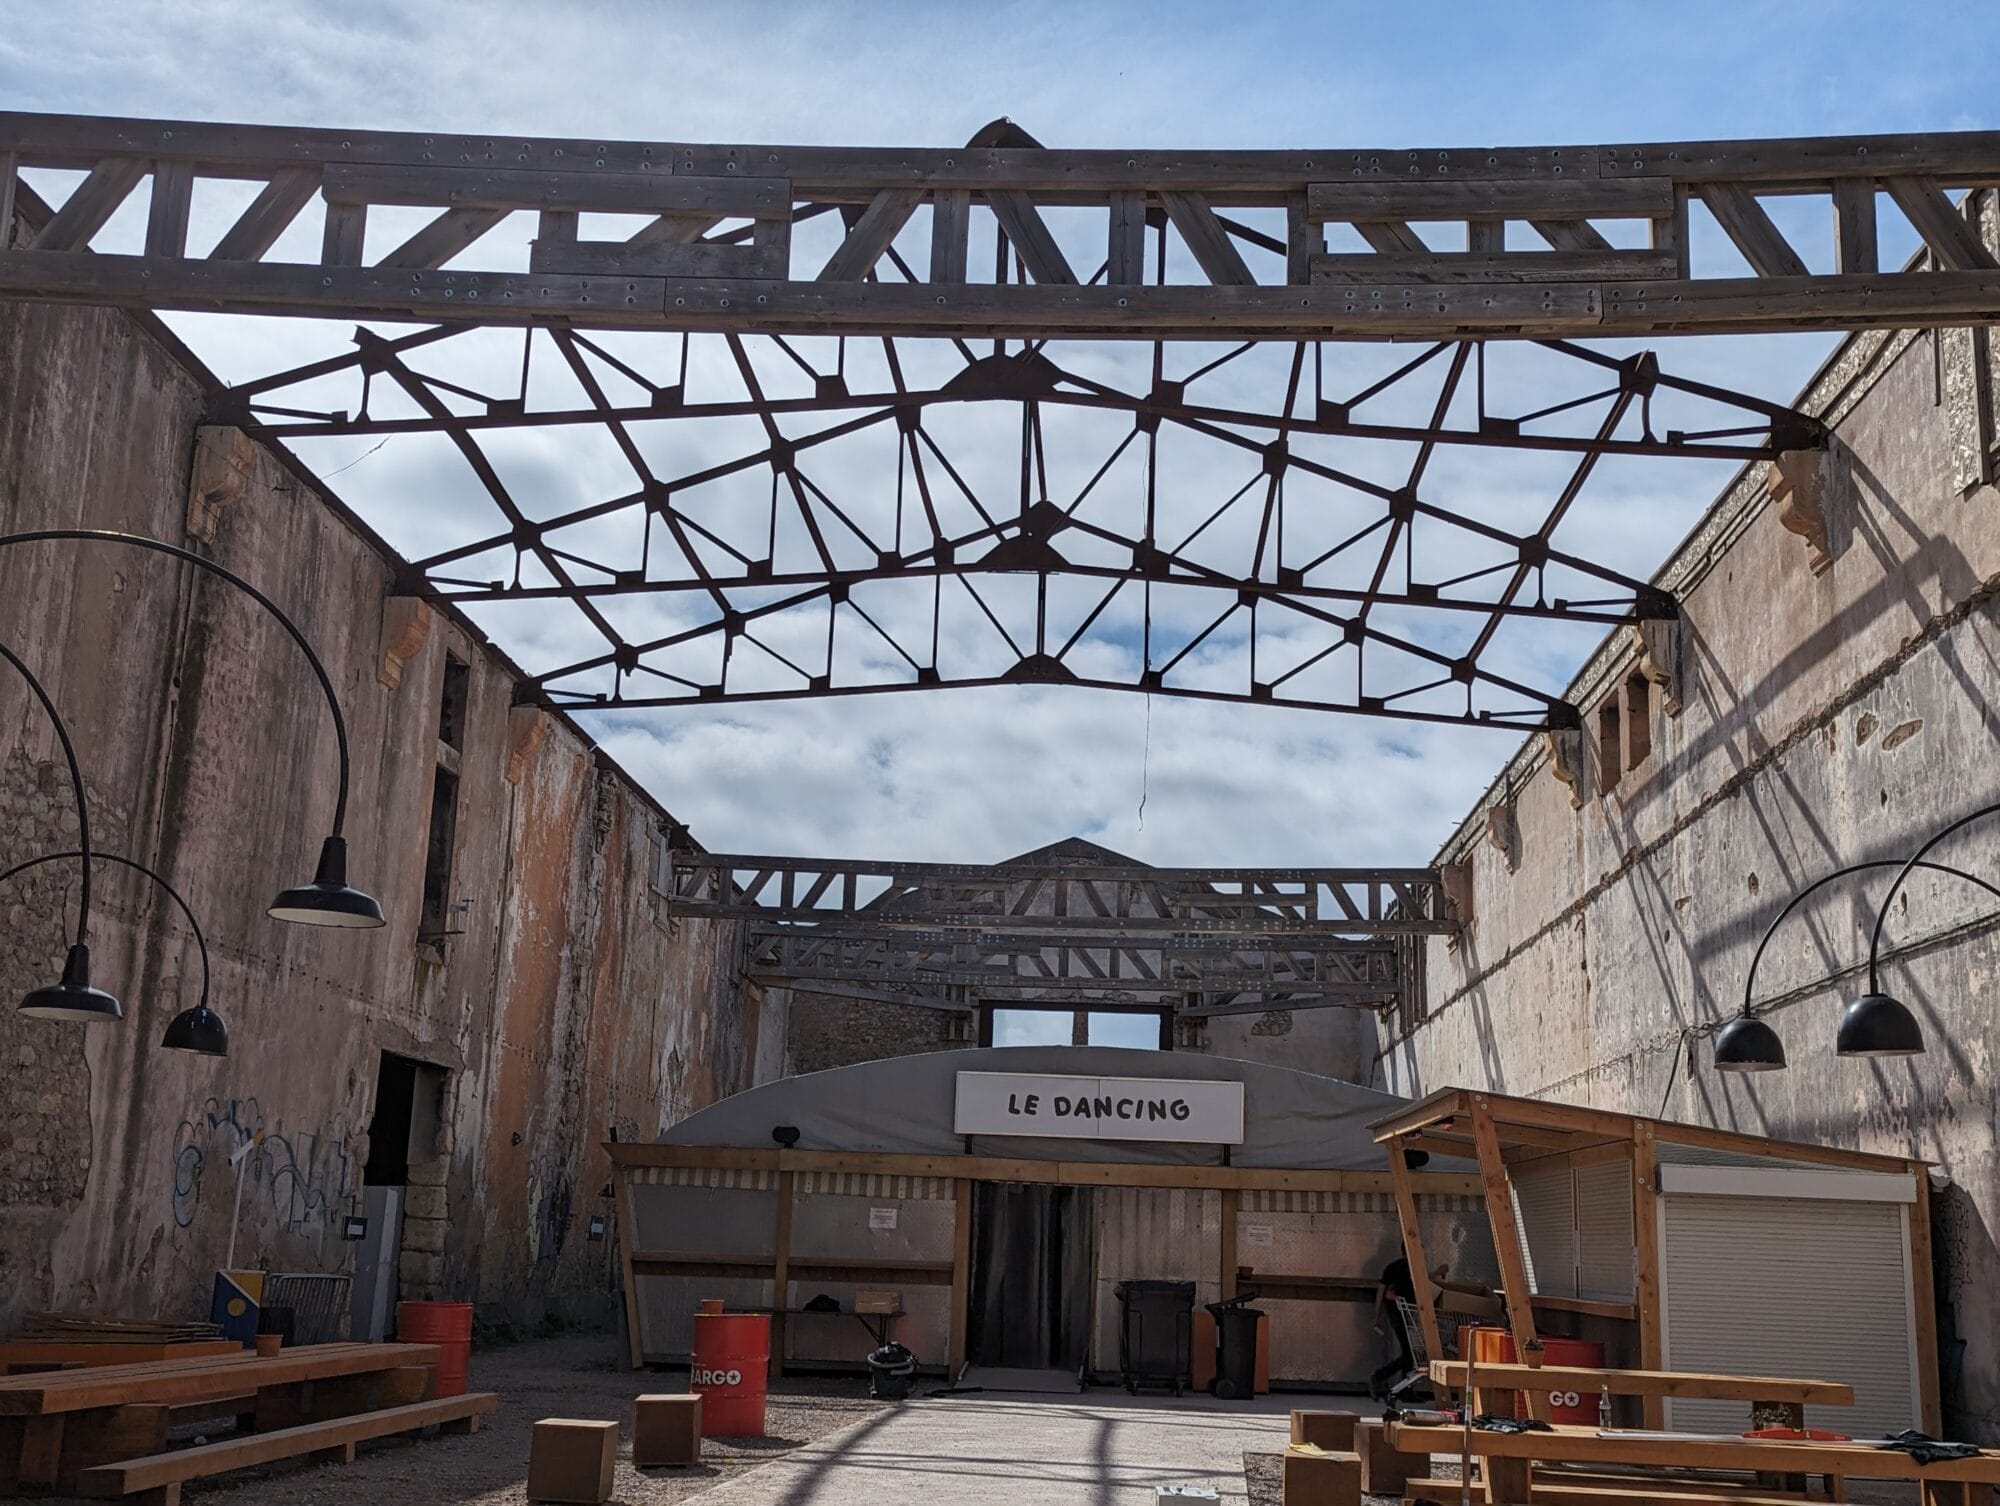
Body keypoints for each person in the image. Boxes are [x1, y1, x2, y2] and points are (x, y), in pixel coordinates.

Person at [1369, 1255, 1447, 1401]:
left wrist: (1377, 1315)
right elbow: (1422, 1279)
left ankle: (1402, 1388)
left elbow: (1382, 1289)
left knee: (1409, 1352)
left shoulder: (1393, 1266)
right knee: (1409, 1353)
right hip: (1401, 1314)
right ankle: (1382, 1378)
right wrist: (1438, 1271)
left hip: (1397, 1314)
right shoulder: (1408, 1267)